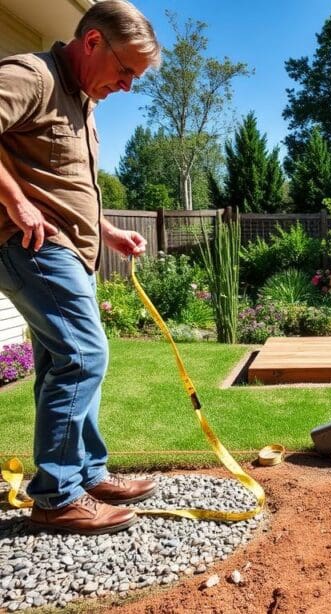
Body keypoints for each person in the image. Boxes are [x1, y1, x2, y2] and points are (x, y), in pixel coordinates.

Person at [0, 0, 161, 535]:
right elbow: (34, 192)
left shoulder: (82, 104)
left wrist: (108, 232)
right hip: (30, 245)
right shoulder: (33, 77)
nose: (127, 86)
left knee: (64, 363)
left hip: (68, 249)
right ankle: (57, 496)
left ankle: (86, 475)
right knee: (85, 354)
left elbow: (64, 184)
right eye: (125, 71)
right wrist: (15, 202)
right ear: (93, 42)